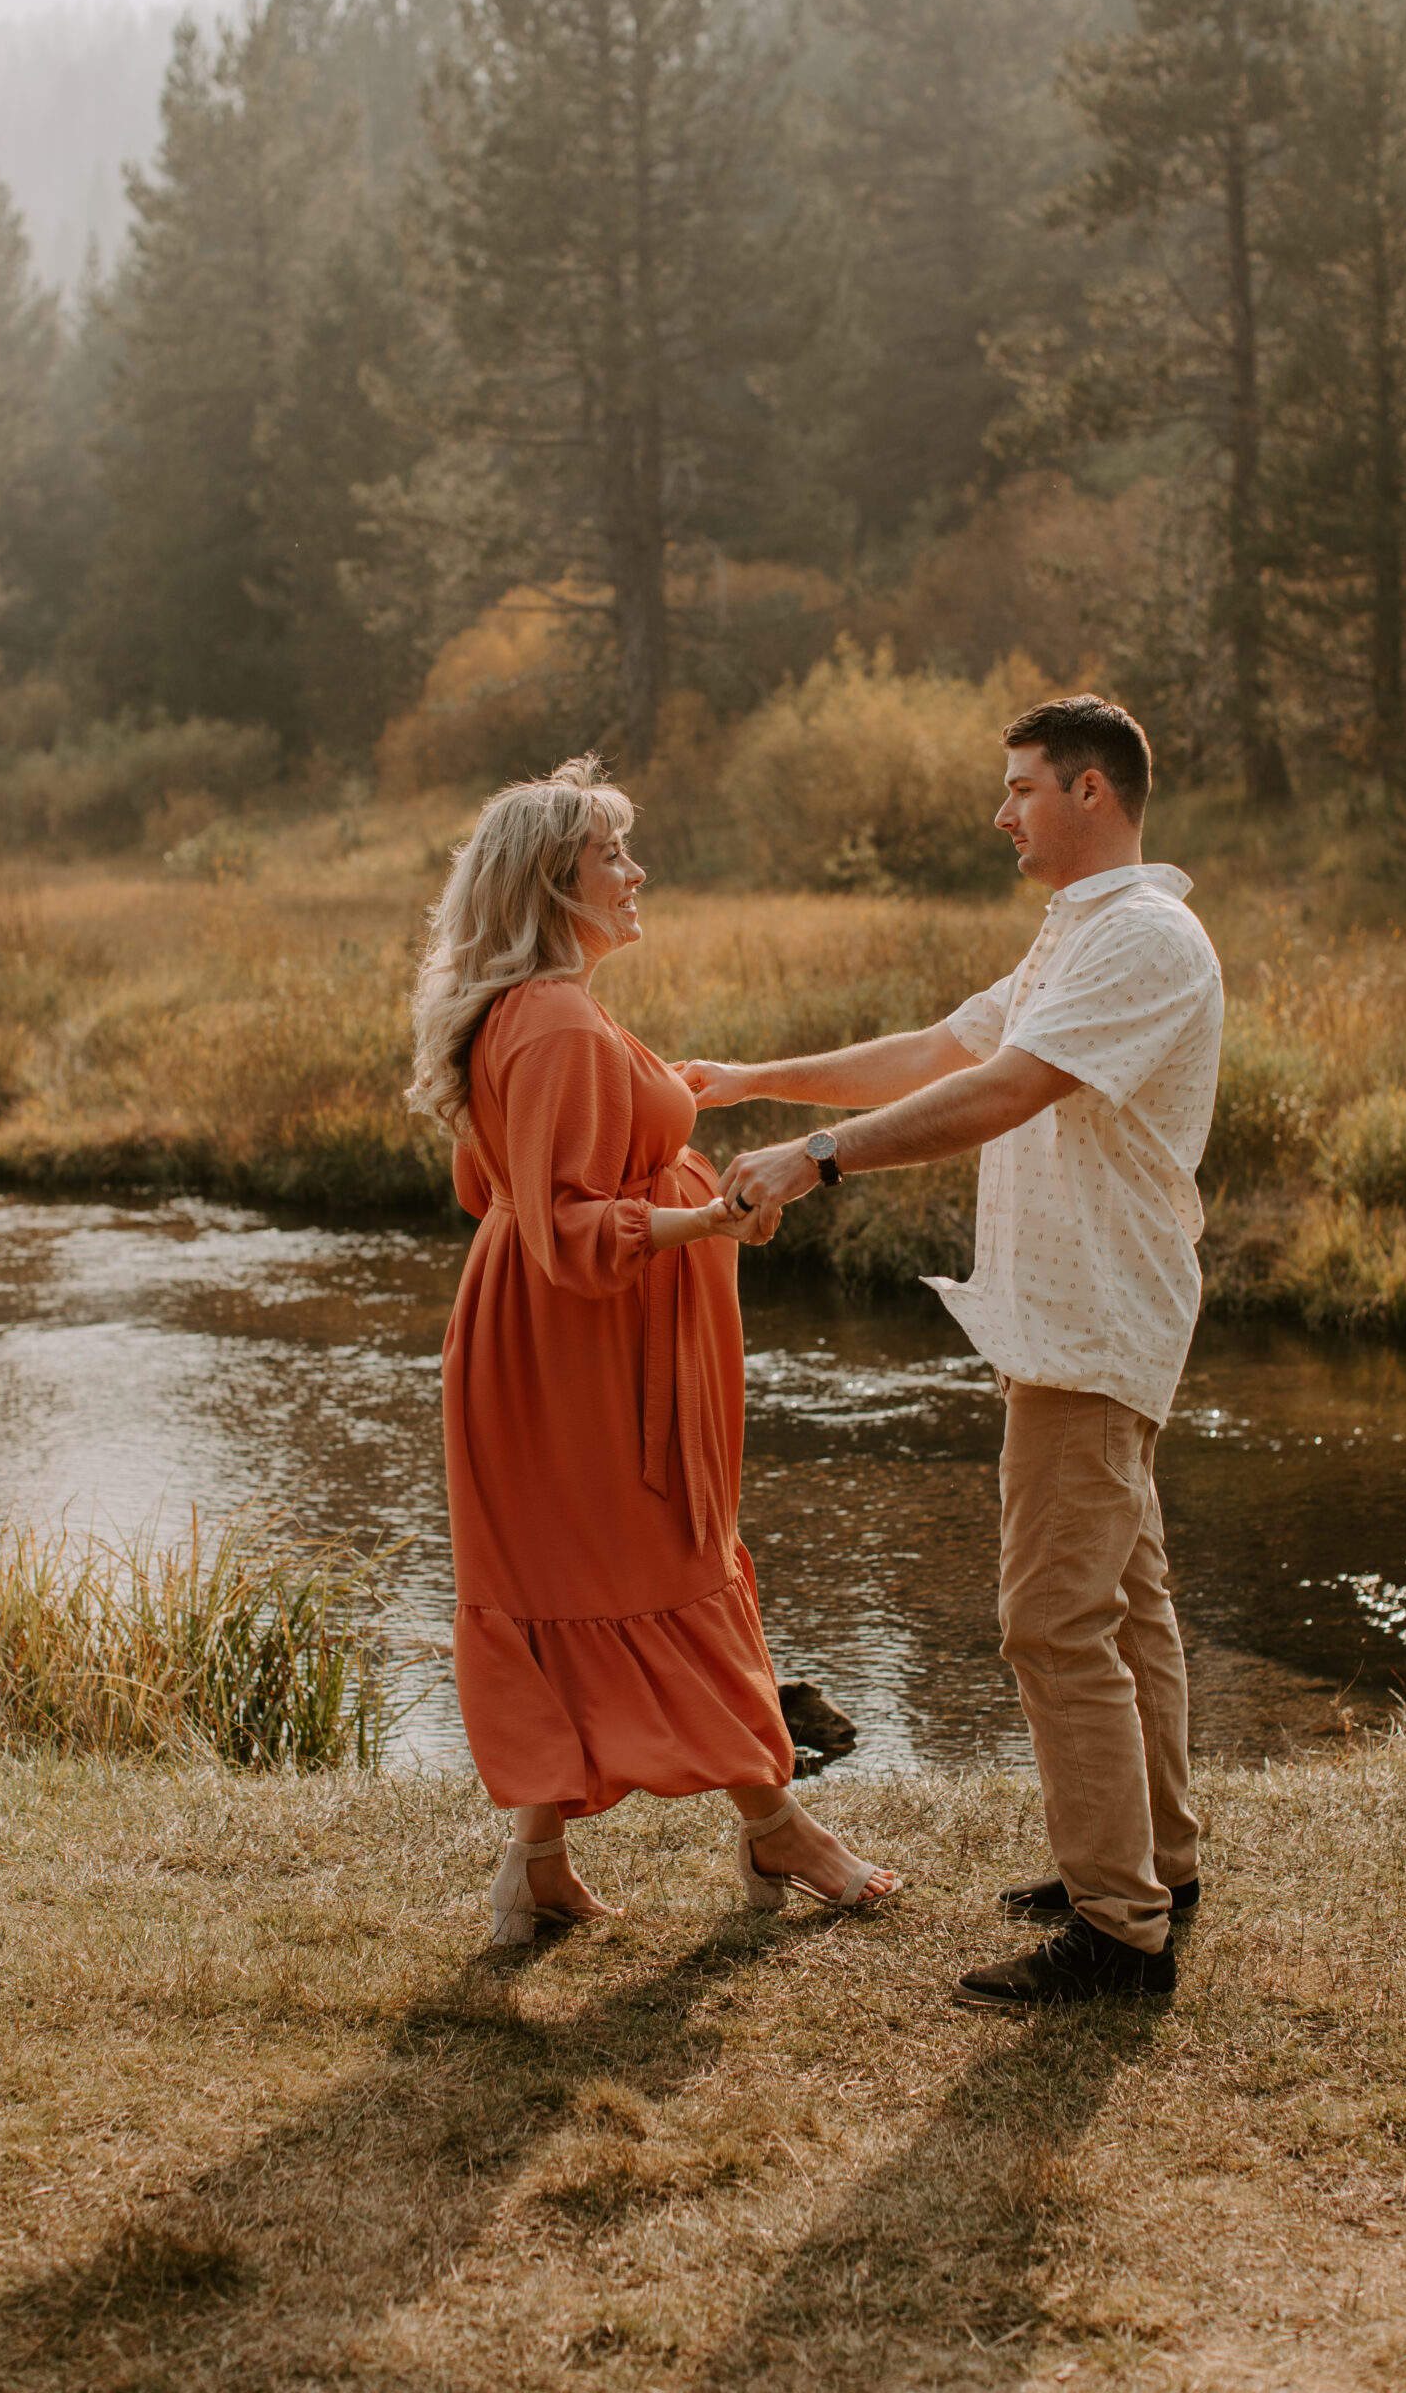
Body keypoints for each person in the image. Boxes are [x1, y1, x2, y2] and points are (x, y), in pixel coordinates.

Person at [679, 695, 1223, 2009]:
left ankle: (1117, 1932)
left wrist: (814, 1160)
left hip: (1095, 1322)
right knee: (1125, 1606)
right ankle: (1151, 1864)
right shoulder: (1076, 934)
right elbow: (940, 1051)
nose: (1001, 814)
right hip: (1068, 1320)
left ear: (1091, 793)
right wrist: (746, 1076)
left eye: (1022, 788)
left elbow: (1005, 1090)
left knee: (1049, 1624)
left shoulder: (1142, 939)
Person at [408, 755, 898, 1945]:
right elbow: (573, 1226)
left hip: (538, 1349)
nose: (636, 873)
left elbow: (517, 1182)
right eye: (611, 857)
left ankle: (535, 1863)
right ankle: (778, 1822)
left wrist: (671, 1093)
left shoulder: (532, 1010)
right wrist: (710, 1216)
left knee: (561, 1585)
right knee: (665, 1568)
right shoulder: (561, 1022)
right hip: (583, 1358)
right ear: (552, 883)